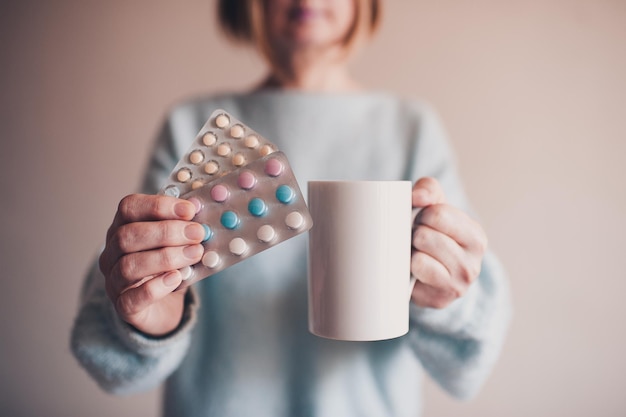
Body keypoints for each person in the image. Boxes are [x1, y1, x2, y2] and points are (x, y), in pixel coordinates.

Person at [71, 0, 512, 416]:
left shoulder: (411, 129)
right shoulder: (189, 124)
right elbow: (110, 362)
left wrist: (449, 298)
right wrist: (147, 319)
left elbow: (467, 368)